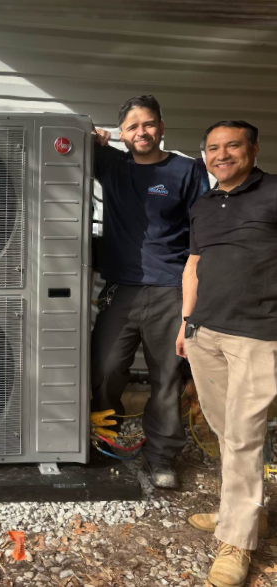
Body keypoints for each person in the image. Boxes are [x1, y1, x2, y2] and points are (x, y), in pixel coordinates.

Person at [177, 120, 276, 587]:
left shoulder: (274, 193)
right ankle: (244, 512)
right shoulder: (204, 204)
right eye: (213, 148)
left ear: (252, 149)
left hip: (258, 336)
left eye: (232, 146)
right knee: (222, 428)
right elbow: (194, 266)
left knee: (243, 434)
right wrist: (185, 322)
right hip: (206, 334)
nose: (222, 154)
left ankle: (237, 539)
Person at [92, 95, 204, 488]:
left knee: (166, 376)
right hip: (121, 288)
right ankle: (104, 436)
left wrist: (193, 299)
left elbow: (200, 233)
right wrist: (93, 138)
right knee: (105, 368)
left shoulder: (186, 170)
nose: (142, 131)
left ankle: (161, 457)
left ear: (161, 127)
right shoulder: (112, 165)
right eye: (132, 126)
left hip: (170, 289)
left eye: (149, 123)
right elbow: (67, 142)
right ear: (122, 134)